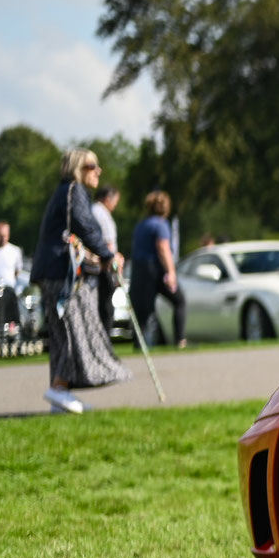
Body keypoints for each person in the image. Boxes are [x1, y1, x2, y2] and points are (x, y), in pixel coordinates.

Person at [29, 148, 128, 413]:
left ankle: (60, 398)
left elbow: (81, 230)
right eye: (92, 166)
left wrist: (100, 255)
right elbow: (85, 226)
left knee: (63, 334)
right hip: (62, 275)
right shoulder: (74, 190)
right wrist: (108, 254)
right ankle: (59, 389)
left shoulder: (69, 192)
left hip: (54, 272)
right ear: (77, 168)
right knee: (74, 332)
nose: (99, 171)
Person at [129, 190, 185, 350]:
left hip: (139, 270)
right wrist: (171, 272)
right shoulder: (161, 224)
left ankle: (139, 345)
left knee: (143, 311)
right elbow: (163, 248)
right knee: (179, 301)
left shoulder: (141, 225)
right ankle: (180, 340)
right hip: (155, 269)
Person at [91, 186, 123, 334]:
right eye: (115, 201)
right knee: (106, 308)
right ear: (107, 199)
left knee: (103, 306)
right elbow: (108, 243)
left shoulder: (95, 211)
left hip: (101, 265)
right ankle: (104, 341)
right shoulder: (101, 213)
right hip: (105, 266)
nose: (115, 205)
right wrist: (116, 265)